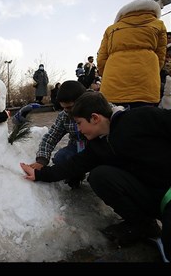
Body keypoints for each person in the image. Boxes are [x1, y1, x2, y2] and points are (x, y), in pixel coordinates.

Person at [20, 91, 171, 261]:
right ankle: (142, 224)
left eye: (79, 123)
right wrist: (39, 174)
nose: (78, 129)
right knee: (99, 176)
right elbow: (73, 165)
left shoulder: (140, 118)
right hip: (151, 195)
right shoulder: (98, 145)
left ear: (95, 118)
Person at [97, 0, 167, 108]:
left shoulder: (111, 29)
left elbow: (101, 59)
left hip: (113, 83)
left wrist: (105, 75)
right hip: (146, 83)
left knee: (114, 119)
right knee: (143, 120)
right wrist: (153, 71)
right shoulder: (159, 25)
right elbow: (161, 55)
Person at [28, 80, 87, 189]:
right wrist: (42, 160)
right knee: (61, 157)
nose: (67, 111)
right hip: (77, 146)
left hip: (98, 148)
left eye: (70, 107)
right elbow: (50, 137)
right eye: (63, 108)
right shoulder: (64, 116)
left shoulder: (99, 108)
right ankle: (75, 176)